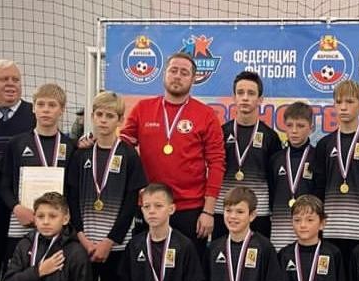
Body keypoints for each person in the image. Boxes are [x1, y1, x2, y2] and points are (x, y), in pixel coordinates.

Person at [63, 91, 146, 281]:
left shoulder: (129, 156)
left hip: (116, 247)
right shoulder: (81, 154)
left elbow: (130, 204)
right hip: (84, 244)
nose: (103, 120)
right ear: (92, 117)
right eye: (99, 115)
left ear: (119, 120)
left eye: (110, 116)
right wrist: (82, 237)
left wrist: (111, 240)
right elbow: (72, 198)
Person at [119, 52, 225, 266]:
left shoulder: (206, 115)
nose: (177, 76)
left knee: (189, 274)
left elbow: (217, 163)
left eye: (184, 72)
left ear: (193, 79)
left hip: (191, 210)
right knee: (148, 270)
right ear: (164, 74)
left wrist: (208, 211)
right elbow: (121, 145)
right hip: (150, 207)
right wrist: (92, 140)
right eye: (173, 70)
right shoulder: (142, 109)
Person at [0, 83, 75, 265]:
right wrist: (16, 208)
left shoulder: (71, 146)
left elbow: (72, 189)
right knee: (18, 275)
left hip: (56, 225)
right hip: (21, 225)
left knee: (55, 276)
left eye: (52, 105)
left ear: (62, 110)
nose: (45, 110)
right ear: (33, 108)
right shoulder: (16, 143)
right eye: (41, 104)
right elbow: (3, 185)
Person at [313, 79, 359, 267]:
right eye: (339, 102)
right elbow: (318, 189)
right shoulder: (324, 144)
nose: (343, 107)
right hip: (331, 230)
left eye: (349, 102)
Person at [213, 70, 280, 240]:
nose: (245, 98)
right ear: (233, 97)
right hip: (224, 211)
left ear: (260, 99)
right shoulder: (220, 133)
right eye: (240, 93)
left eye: (251, 93)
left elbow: (274, 179)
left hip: (258, 212)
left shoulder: (271, 137)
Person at [269, 101, 316, 250]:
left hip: (309, 231)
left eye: (300, 126)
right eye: (290, 125)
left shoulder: (318, 157)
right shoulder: (275, 159)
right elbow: (271, 193)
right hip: (279, 232)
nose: (294, 131)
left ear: (311, 128)